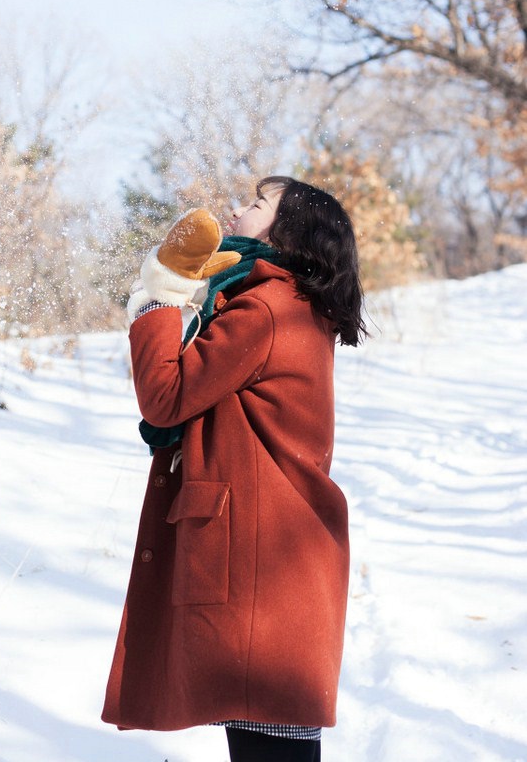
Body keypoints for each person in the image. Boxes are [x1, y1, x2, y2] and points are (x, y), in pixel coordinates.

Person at [101, 175, 367, 762]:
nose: (237, 210)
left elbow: (166, 397)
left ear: (290, 233)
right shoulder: (286, 306)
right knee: (269, 743)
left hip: (261, 565)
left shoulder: (269, 309)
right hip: (274, 562)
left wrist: (161, 298)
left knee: (270, 746)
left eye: (256, 204)